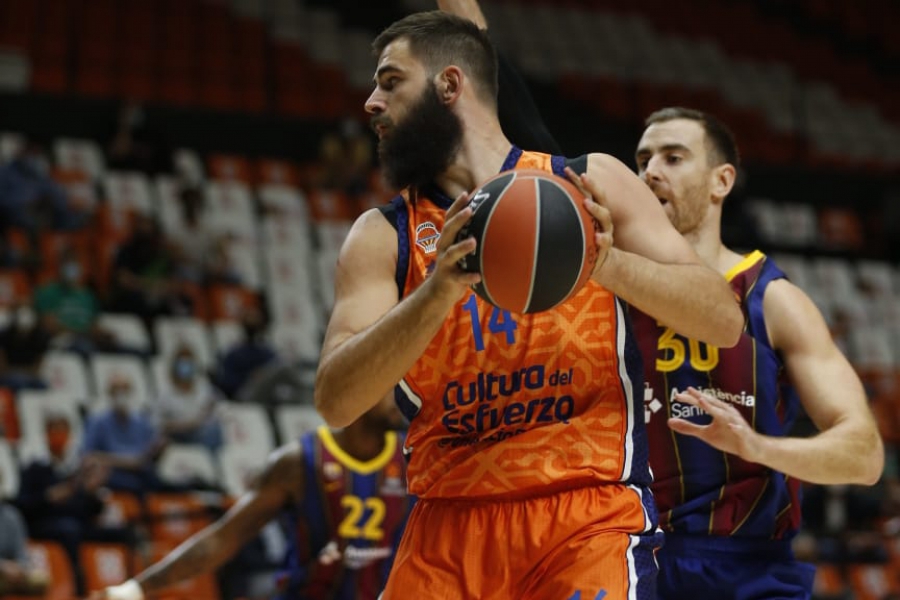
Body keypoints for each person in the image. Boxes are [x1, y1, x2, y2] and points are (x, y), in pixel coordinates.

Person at [313, 11, 743, 599]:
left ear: (450, 85)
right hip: (446, 523)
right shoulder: (382, 235)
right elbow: (336, 402)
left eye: (390, 81)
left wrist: (606, 263)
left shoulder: (591, 183)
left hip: (585, 515)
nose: (370, 102)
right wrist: (436, 291)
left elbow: (722, 320)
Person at [631, 107, 884, 599]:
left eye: (673, 157)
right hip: (633, 557)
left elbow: (866, 455)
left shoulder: (774, 299)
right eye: (642, 160)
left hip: (747, 568)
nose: (650, 172)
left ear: (721, 180)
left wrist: (756, 447)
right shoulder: (617, 290)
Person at [90, 393, 412, 600]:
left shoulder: (411, 458)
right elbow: (222, 540)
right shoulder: (299, 461)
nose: (399, 394)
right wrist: (135, 589)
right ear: (361, 383)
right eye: (389, 381)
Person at [16, 413, 134, 595]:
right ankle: (79, 589)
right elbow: (23, 507)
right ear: (46, 434)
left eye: (62, 430)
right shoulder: (35, 468)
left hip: (79, 524)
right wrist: (48, 497)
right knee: (69, 530)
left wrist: (93, 493)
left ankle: (133, 586)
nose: (59, 435)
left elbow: (91, 511)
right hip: (45, 525)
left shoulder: (76, 468)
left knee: (125, 533)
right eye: (54, 431)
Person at [82, 375, 167, 496]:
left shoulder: (142, 421)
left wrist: (158, 450)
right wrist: (126, 462)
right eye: (116, 389)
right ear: (109, 393)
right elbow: (88, 456)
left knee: (159, 484)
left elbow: (148, 456)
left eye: (125, 389)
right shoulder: (97, 421)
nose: (121, 394)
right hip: (114, 475)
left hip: (141, 473)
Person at [154, 344, 224, 452]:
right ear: (175, 366)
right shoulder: (166, 393)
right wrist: (184, 425)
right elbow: (158, 423)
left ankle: (210, 460)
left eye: (189, 362)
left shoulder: (204, 389)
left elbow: (214, 410)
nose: (186, 365)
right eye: (182, 362)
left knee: (215, 430)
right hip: (178, 435)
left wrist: (201, 420)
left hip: (200, 432)